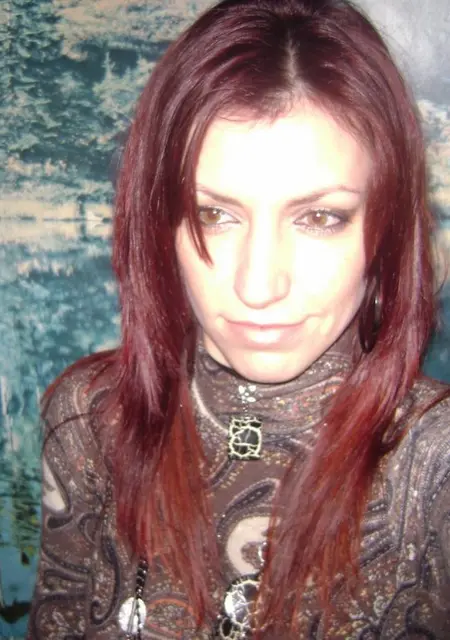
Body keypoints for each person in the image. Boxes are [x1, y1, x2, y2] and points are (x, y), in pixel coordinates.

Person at [27, 0, 450, 638]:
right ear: (160, 223)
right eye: (214, 215)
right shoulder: (91, 420)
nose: (258, 286)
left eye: (320, 217)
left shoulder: (436, 468)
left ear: (385, 230)